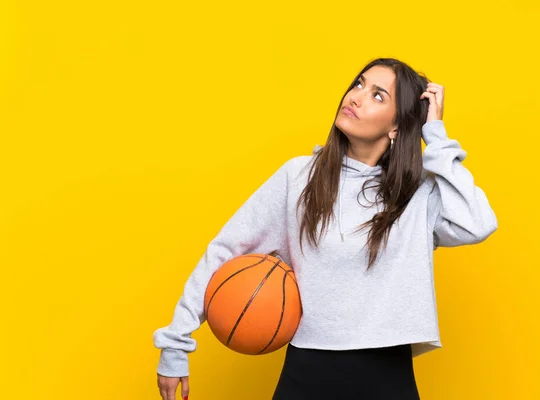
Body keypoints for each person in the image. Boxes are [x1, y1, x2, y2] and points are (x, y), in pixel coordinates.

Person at [153, 57, 498, 400]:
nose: (356, 97)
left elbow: (478, 223)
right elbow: (226, 250)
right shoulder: (299, 176)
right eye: (358, 84)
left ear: (396, 128)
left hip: (387, 374)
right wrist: (175, 344)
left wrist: (435, 136)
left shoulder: (415, 194)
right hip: (309, 369)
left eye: (378, 96)